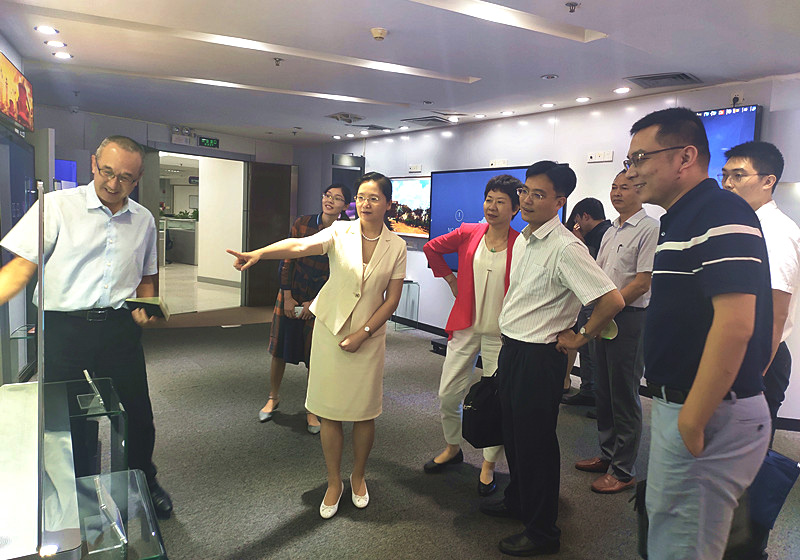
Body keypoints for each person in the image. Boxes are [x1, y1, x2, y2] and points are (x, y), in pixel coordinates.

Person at [0, 135, 173, 519]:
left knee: (137, 416)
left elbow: (146, 277)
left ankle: (143, 481)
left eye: (125, 177)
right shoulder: (56, 206)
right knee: (68, 420)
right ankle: (79, 494)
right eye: (107, 172)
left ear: (138, 178)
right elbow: (20, 269)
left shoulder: (143, 219)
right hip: (65, 330)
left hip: (118, 330)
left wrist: (146, 305)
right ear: (94, 164)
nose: (113, 183)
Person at [625, 107, 772, 560]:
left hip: (709, 411)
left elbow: (736, 324)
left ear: (685, 157)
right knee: (672, 531)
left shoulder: (719, 210)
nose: (632, 172)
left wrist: (692, 417)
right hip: (688, 405)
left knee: (682, 545)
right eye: (630, 160)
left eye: (641, 158)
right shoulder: (683, 216)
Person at [227, 172, 406, 520]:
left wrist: (364, 333)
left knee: (365, 412)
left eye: (374, 198)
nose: (366, 204)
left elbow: (392, 299)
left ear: (388, 203)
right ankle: (334, 481)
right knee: (329, 410)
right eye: (361, 197)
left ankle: (358, 476)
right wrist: (258, 253)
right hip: (330, 330)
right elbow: (298, 246)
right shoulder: (340, 231)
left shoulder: (396, 246)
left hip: (368, 336)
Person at [480, 161, 624, 557]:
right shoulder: (527, 238)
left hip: (539, 358)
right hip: (513, 350)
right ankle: (518, 501)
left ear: (560, 202)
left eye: (538, 194)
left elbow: (612, 300)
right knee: (513, 434)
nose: (527, 200)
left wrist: (580, 337)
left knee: (536, 444)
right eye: (525, 191)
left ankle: (543, 531)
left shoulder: (566, 247)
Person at [421, 174, 521, 497]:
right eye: (489, 199)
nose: (492, 207)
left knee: (496, 401)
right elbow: (431, 248)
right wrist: (450, 279)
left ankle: (489, 465)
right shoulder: (469, 232)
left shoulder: (522, 244)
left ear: (515, 208)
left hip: (500, 335)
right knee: (448, 394)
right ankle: (453, 447)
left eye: (501, 202)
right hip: (465, 326)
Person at [574, 170, 658, 494]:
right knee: (604, 392)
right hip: (604, 315)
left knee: (623, 394)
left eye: (625, 187)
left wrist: (607, 309)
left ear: (641, 190)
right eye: (614, 186)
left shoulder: (649, 228)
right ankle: (608, 454)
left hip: (629, 319)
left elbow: (642, 282)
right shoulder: (611, 230)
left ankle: (623, 471)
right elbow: (598, 274)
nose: (617, 192)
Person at [721, 141, 799, 444]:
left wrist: (753, 380)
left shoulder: (777, 232)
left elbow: (775, 312)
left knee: (746, 454)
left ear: (768, 181)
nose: (728, 183)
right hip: (738, 350)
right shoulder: (744, 224)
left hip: (760, 356)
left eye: (738, 175)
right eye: (724, 175)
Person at [258, 183, 351, 434]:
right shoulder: (303, 223)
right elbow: (288, 260)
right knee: (279, 350)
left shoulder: (346, 232)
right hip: (291, 291)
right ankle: (273, 397)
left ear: (345, 205)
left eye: (337, 198)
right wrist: (287, 296)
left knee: (315, 356)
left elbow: (339, 273)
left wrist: (316, 302)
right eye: (327, 196)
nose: (330, 201)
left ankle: (312, 408)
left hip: (321, 298)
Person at [561, 197, 612, 408]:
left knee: (593, 350)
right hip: (590, 299)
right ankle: (588, 390)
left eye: (577, 220)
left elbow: (592, 266)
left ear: (585, 216)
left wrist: (579, 243)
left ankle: (596, 396)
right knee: (588, 351)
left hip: (597, 299)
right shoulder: (603, 232)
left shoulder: (602, 235)